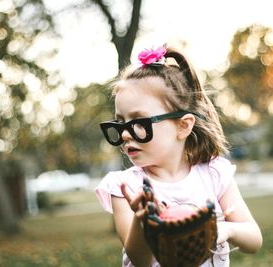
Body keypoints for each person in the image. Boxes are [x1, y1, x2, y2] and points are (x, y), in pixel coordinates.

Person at [95, 45, 263, 267]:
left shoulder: (214, 174)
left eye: (139, 122)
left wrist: (225, 229)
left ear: (183, 126)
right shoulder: (126, 187)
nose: (125, 133)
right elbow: (140, 260)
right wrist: (141, 219)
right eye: (120, 123)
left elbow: (254, 240)